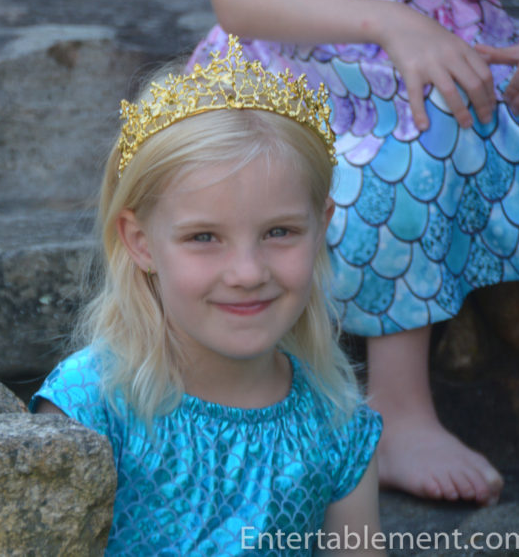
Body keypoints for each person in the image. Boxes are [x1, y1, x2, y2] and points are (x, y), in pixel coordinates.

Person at [188, 0, 519, 507]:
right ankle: (397, 410)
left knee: (457, 114)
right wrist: (390, 23)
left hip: (446, 45)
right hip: (294, 58)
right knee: (396, 164)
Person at [31, 36, 384, 555]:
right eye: (204, 237)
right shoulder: (91, 407)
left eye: (280, 232)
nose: (247, 272)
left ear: (321, 227)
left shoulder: (337, 423)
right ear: (141, 243)